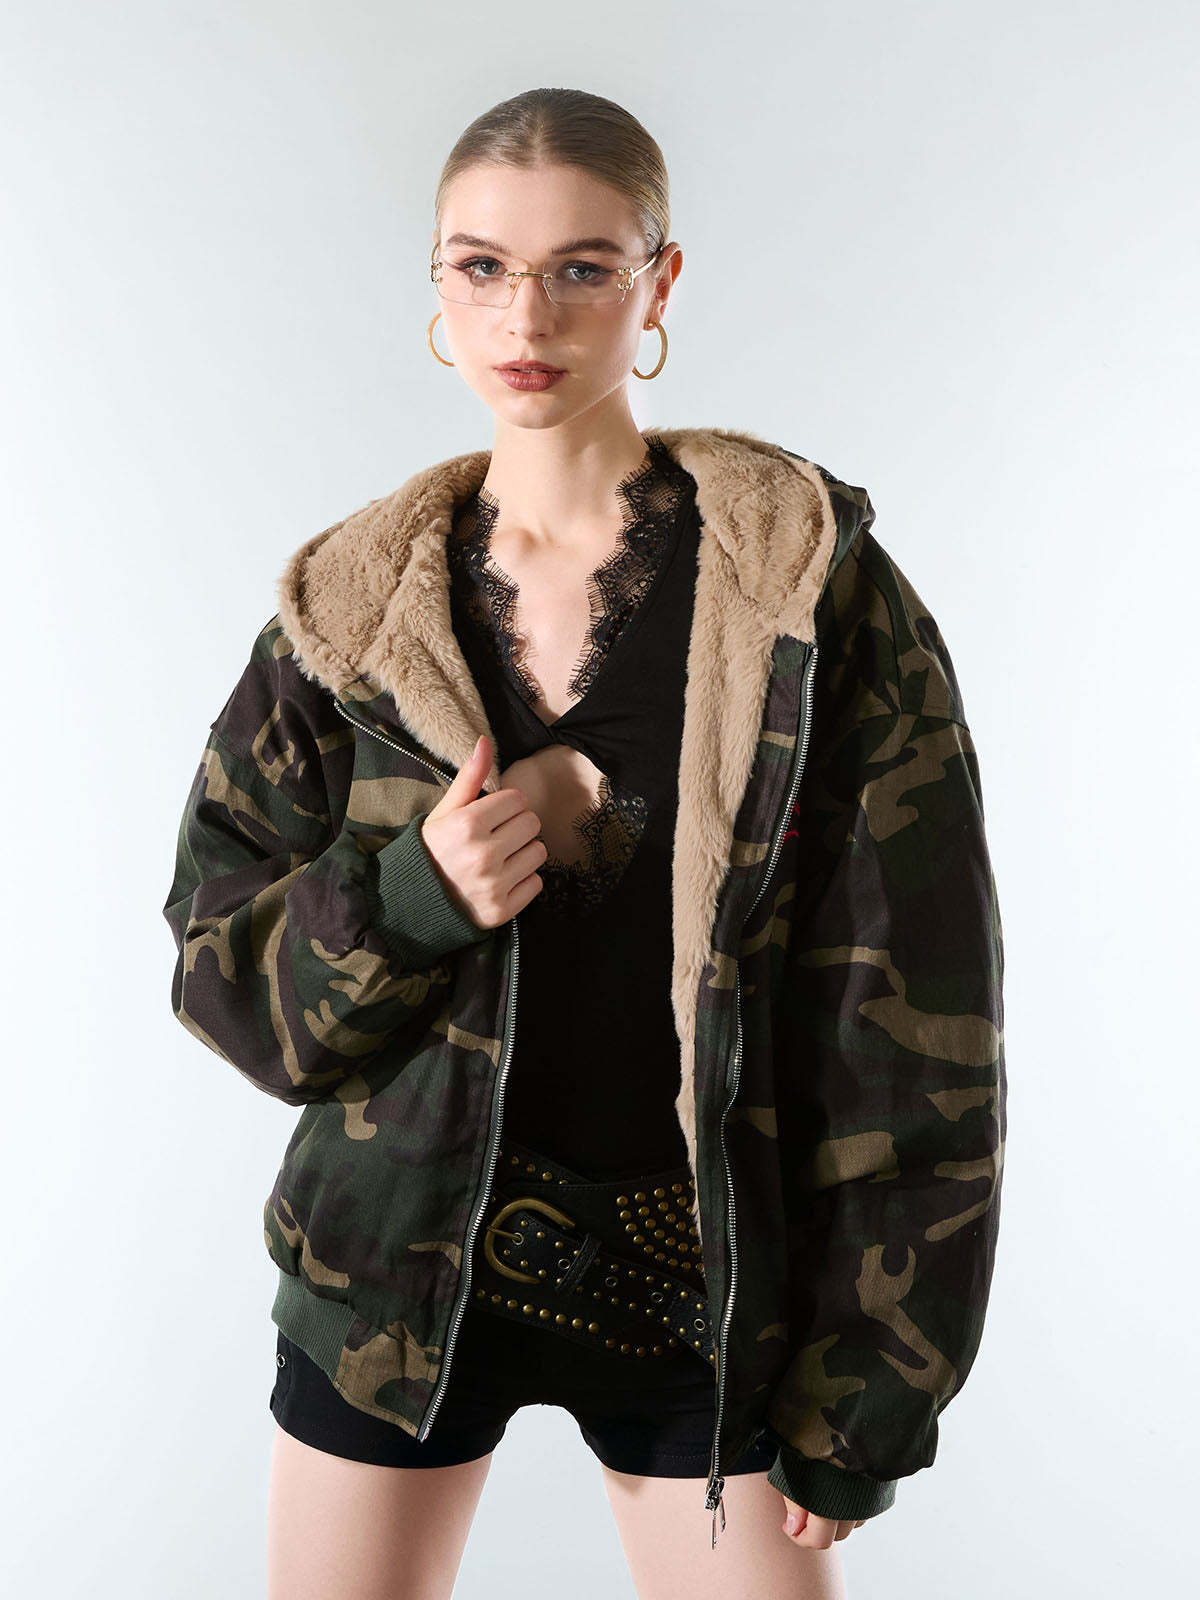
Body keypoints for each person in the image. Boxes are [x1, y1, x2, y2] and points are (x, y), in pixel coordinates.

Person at [163, 87, 1006, 1600]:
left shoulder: (808, 597)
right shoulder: (344, 621)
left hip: (709, 1287)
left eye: (582, 268)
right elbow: (224, 985)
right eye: (481, 266)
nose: (524, 314)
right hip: (394, 1280)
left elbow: (917, 1003)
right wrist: (416, 895)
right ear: (436, 283)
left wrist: (878, 1375)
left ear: (658, 283)